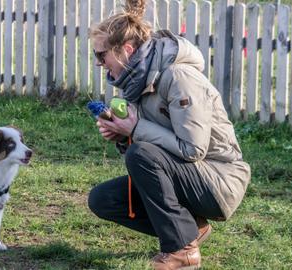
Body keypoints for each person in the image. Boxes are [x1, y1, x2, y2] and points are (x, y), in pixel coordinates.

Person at [87, 0, 251, 269]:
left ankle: (182, 250)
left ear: (126, 50)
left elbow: (192, 149)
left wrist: (136, 129)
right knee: (104, 200)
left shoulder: (178, 76)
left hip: (220, 181)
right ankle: (190, 228)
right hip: (191, 175)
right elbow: (154, 152)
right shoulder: (139, 80)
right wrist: (123, 136)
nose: (99, 63)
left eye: (101, 55)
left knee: (141, 155)